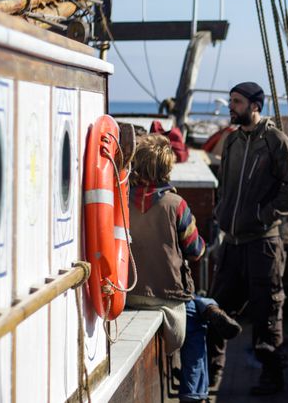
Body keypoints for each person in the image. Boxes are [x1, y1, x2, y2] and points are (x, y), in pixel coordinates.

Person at [126, 134, 241, 403]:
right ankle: (194, 393)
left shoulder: (121, 200)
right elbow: (196, 250)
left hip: (129, 294)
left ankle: (208, 306)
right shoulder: (176, 205)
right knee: (197, 324)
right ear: (166, 169)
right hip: (168, 297)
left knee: (198, 304)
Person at [209, 82, 288, 396]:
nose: (231, 107)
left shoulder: (275, 141)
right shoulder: (233, 140)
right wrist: (221, 211)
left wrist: (268, 214)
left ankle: (272, 377)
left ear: (254, 106)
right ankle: (213, 373)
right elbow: (223, 184)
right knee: (217, 308)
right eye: (232, 101)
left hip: (263, 243)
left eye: (237, 102)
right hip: (232, 243)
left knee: (266, 311)